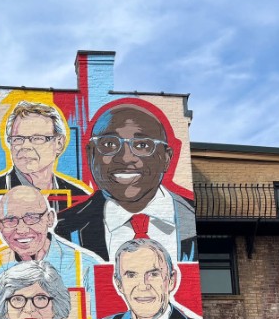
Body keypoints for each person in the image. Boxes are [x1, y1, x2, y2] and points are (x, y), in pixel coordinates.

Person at [55, 101, 196, 262]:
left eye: (142, 145)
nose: (126, 157)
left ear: (166, 158)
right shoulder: (62, 229)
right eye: (109, 144)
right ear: (91, 154)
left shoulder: (192, 216)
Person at [0, 101, 89, 228]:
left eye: (37, 138)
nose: (25, 146)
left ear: (59, 143)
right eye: (18, 139)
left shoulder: (80, 199)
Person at [0, 185, 97, 287]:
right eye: (10, 220)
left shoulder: (87, 268)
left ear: (50, 219)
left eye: (32, 217)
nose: (21, 230)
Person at [94, 239, 204, 319]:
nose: (143, 286)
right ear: (119, 284)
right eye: (131, 275)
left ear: (171, 280)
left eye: (153, 274)